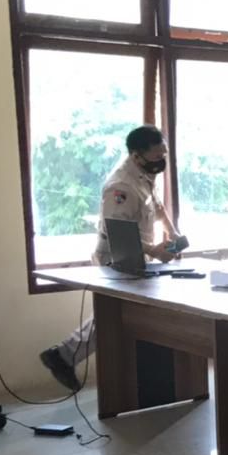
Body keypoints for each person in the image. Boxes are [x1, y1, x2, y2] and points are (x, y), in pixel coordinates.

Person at [39, 125, 182, 392]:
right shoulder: (121, 185)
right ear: (137, 155)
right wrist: (154, 250)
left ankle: (65, 355)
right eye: (156, 155)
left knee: (117, 315)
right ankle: (63, 355)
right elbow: (114, 232)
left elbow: (157, 207)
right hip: (115, 259)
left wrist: (173, 234)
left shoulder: (144, 174)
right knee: (113, 315)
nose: (161, 160)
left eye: (164, 154)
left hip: (137, 258)